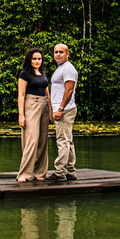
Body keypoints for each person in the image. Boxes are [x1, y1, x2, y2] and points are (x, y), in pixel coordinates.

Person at [16, 48, 51, 182]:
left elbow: (47, 92)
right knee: (32, 139)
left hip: (44, 106)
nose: (37, 61)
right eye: (34, 59)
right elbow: (21, 94)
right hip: (31, 105)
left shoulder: (42, 73)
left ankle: (40, 172)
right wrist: (21, 115)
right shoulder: (25, 74)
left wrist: (51, 112)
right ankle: (24, 173)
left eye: (39, 59)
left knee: (43, 140)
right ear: (29, 60)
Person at [46, 42, 78, 181]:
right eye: (56, 52)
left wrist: (60, 109)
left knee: (62, 140)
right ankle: (70, 170)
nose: (58, 54)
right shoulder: (60, 68)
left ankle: (60, 172)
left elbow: (69, 90)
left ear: (67, 54)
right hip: (61, 109)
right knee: (67, 140)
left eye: (61, 52)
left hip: (65, 109)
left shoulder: (68, 69)